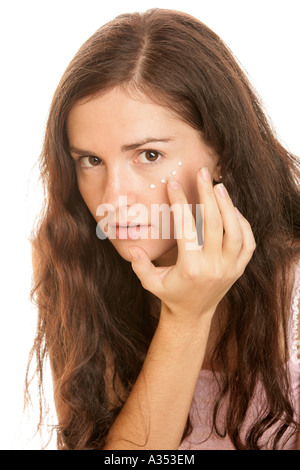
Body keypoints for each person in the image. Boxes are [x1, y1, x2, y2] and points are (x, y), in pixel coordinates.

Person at [26, 8, 300, 450]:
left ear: (222, 153)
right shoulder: (72, 261)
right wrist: (185, 318)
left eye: (148, 155)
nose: (114, 198)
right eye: (91, 161)